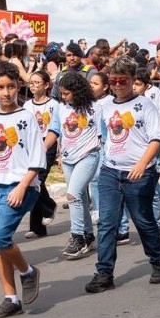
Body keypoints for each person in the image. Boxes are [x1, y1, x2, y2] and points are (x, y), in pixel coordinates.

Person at [85, 57, 160, 294]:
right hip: (111, 171)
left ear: (133, 80)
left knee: (142, 220)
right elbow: (104, 136)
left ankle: (158, 261)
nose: (117, 85)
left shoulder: (145, 105)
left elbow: (157, 139)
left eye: (122, 80)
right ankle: (104, 273)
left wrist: (142, 164)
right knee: (107, 223)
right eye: (113, 81)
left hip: (140, 173)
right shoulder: (105, 106)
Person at [0, 62, 45, 318]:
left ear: (18, 86)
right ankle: (10, 298)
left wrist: (22, 186)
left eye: (11, 86)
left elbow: (37, 158)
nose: (6, 92)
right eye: (0, 87)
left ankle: (28, 272)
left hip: (20, 186)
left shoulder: (27, 117)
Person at [46, 71, 101, 259]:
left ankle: (76, 237)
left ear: (77, 91)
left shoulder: (95, 108)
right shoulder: (61, 108)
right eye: (61, 93)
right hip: (69, 160)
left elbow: (103, 136)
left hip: (88, 156)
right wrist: (42, 149)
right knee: (80, 197)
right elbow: (54, 131)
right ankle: (88, 235)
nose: (63, 97)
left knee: (72, 195)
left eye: (66, 93)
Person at [22, 71, 59, 239]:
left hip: (48, 144)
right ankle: (37, 227)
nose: (33, 86)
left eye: (37, 82)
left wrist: (59, 152)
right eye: (31, 83)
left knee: (39, 180)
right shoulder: (27, 105)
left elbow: (58, 129)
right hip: (31, 144)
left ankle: (49, 207)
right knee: (33, 182)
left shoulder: (54, 105)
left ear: (46, 85)